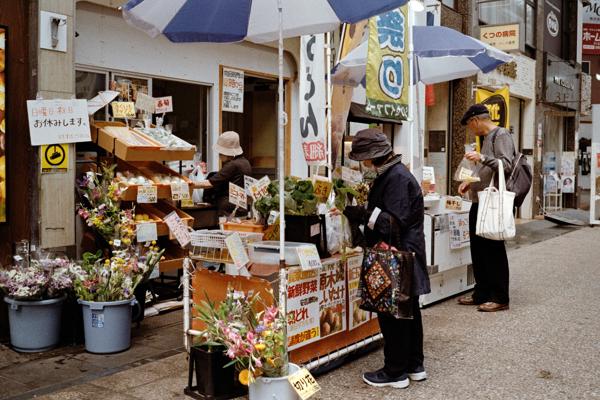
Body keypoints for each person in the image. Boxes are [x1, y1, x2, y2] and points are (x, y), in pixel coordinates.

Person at [343, 128, 430, 389]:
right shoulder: (396, 173)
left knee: (392, 314)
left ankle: (395, 372)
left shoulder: (395, 178)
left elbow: (391, 222)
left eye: (364, 158)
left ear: (371, 156)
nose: (364, 163)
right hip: (407, 252)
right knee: (408, 311)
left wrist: (361, 214)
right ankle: (414, 365)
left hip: (396, 253)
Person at [457, 104, 515, 312]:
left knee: (493, 249)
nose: (471, 129)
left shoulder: (501, 135)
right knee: (478, 249)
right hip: (479, 200)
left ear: (475, 121)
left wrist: (481, 157)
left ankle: (500, 297)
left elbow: (505, 165)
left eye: (470, 125)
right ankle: (481, 292)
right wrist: (470, 181)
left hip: (492, 202)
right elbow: (487, 170)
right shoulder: (487, 138)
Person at [193, 131, 251, 216]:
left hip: (229, 208)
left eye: (220, 152)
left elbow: (210, 183)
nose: (219, 155)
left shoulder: (232, 165)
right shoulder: (245, 162)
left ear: (226, 152)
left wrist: (188, 184)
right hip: (241, 206)